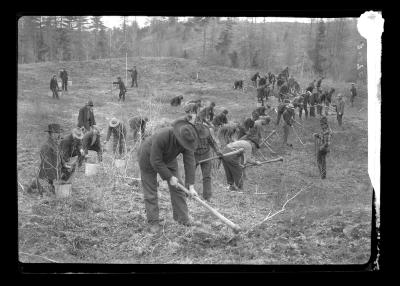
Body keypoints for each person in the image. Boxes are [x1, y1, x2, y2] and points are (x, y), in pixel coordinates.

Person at [137, 118, 200, 233]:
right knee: (151, 192)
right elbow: (155, 161)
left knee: (178, 186)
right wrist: (169, 177)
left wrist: (191, 186)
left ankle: (182, 218)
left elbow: (190, 162)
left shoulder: (188, 140)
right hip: (148, 156)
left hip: (168, 158)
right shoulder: (163, 136)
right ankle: (153, 222)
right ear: (178, 137)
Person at [26, 124, 73, 195]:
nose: (59, 135)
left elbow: (60, 157)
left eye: (59, 133)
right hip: (47, 174)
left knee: (69, 171)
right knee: (48, 193)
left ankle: (48, 185)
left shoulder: (56, 144)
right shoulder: (46, 146)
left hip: (56, 171)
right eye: (57, 133)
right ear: (51, 134)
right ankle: (34, 185)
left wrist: (64, 164)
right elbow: (47, 165)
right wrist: (55, 179)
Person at [194, 122, 222, 202]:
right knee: (190, 175)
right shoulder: (190, 134)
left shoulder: (206, 132)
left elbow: (212, 142)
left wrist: (218, 151)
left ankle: (207, 196)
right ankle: (188, 193)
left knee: (207, 176)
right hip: (193, 155)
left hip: (206, 154)